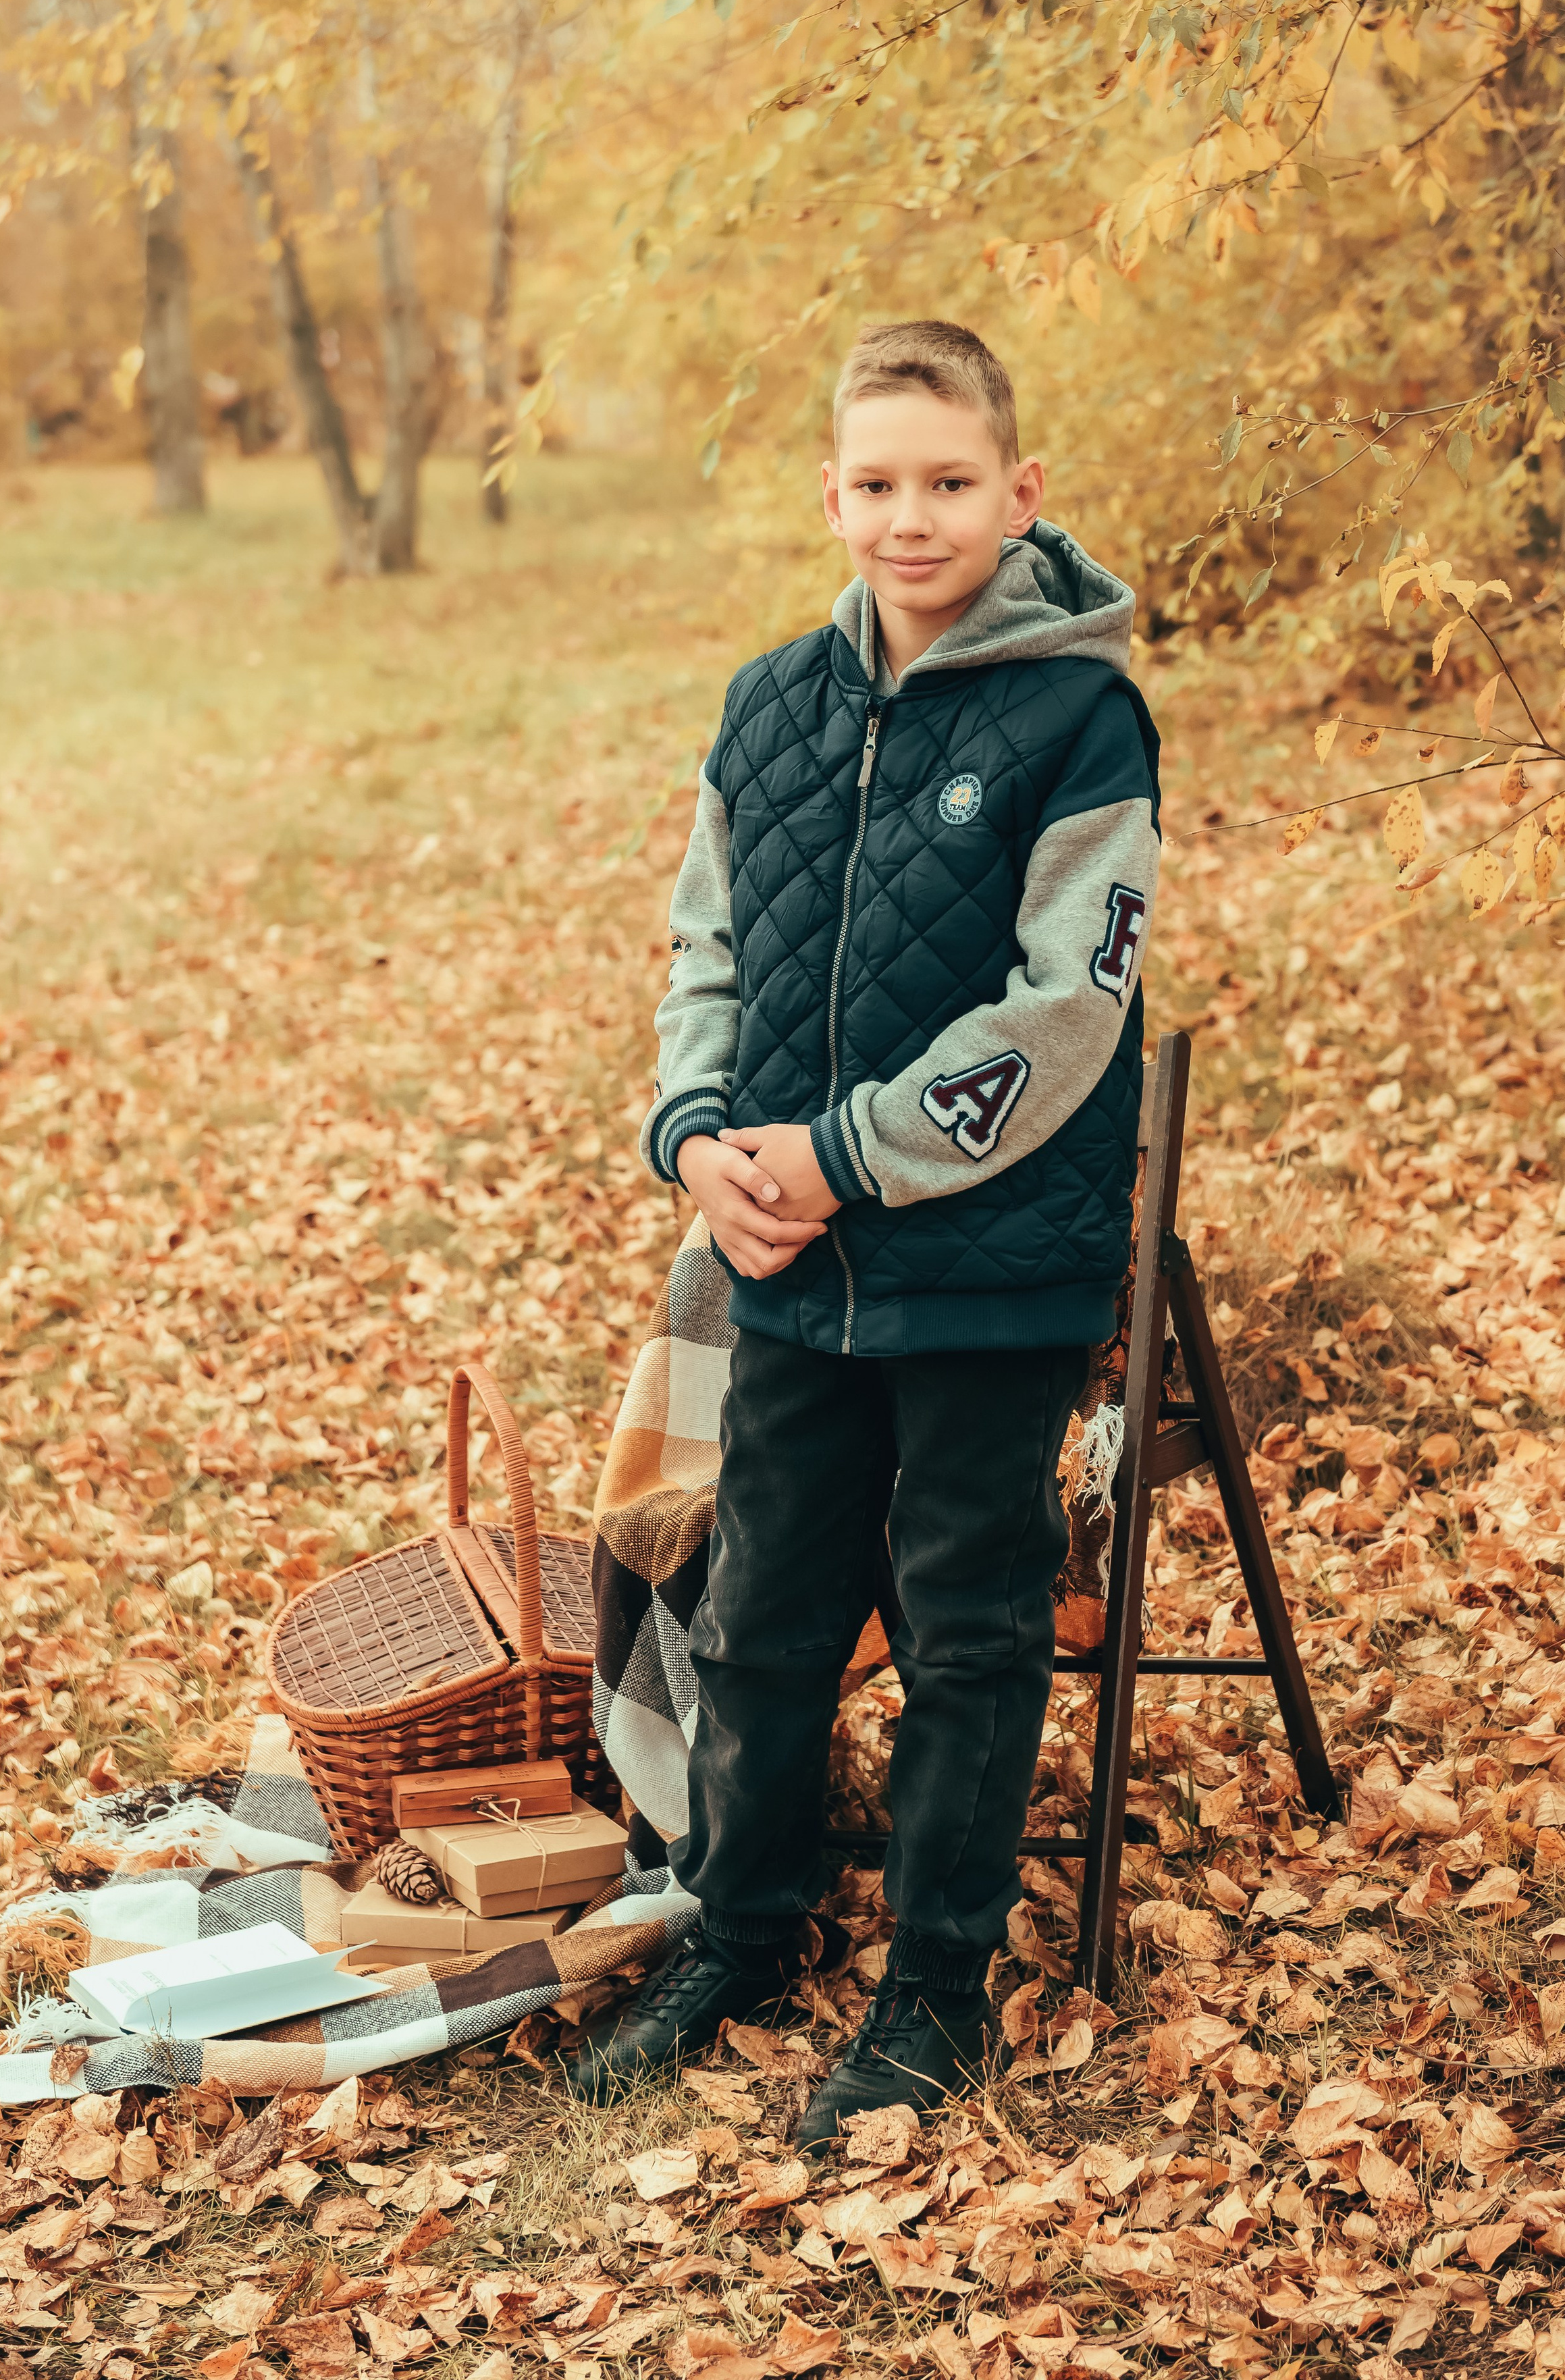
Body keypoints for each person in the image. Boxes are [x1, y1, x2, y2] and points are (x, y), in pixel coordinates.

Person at [568, 320, 1160, 2147]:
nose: (915, 518)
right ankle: (746, 1926)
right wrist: (697, 1143)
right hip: (787, 1261)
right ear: (832, 494)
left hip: (988, 1264)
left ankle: (934, 1986)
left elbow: (1066, 1013)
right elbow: (708, 953)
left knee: (972, 1620)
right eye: (881, 484)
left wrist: (840, 1153)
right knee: (763, 1608)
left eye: (953, 482)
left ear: (1021, 492)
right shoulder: (770, 707)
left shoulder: (1082, 717)